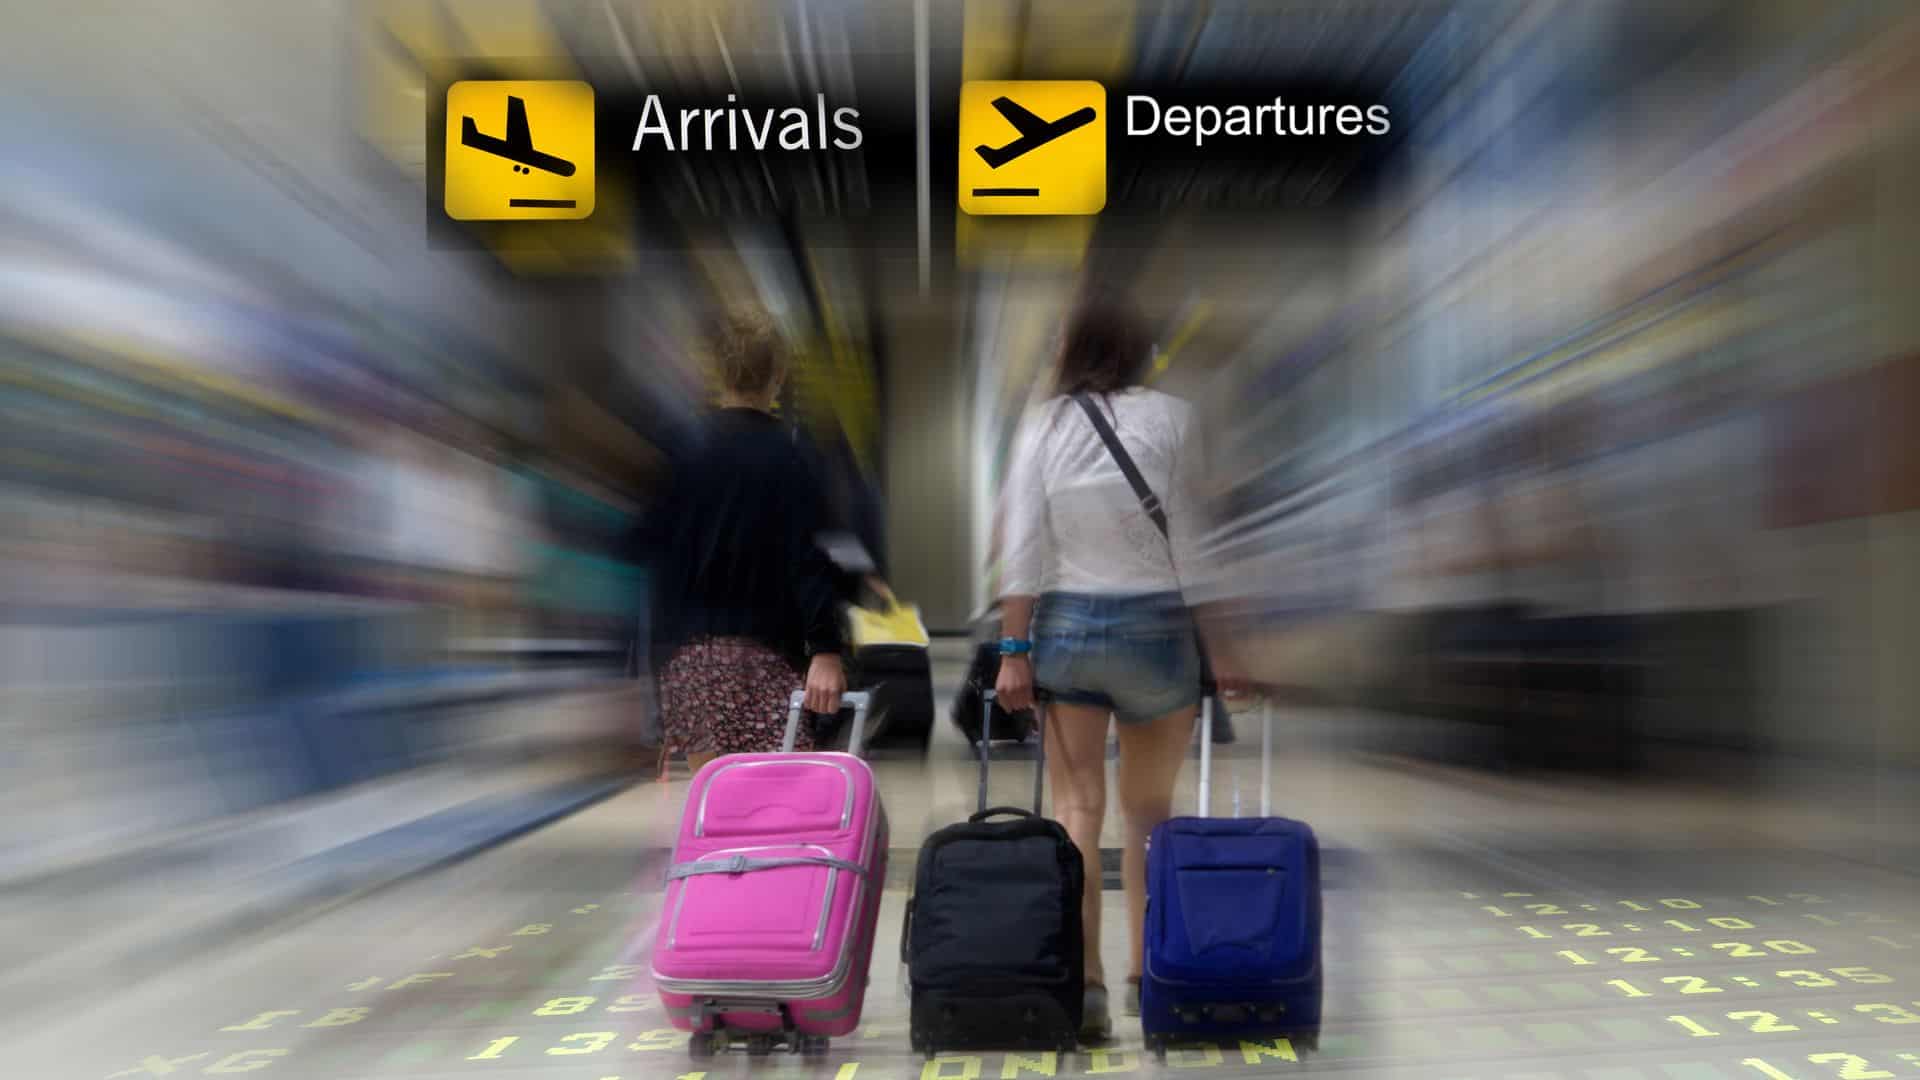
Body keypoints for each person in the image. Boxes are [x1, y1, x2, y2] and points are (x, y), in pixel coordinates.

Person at [993, 298, 1245, 1040]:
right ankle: (1152, 978)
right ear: (1144, 345)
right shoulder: (1175, 418)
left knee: (1077, 809)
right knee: (1150, 815)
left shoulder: (1042, 425)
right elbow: (1193, 546)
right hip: (1159, 632)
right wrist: (1220, 649)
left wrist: (1014, 652)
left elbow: (1023, 551)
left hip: (1070, 629)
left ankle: (1087, 990)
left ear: (1071, 347)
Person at [630, 309, 848, 775]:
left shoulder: (680, 449)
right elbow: (810, 560)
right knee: (776, 801)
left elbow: (652, 555)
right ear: (780, 374)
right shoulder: (792, 456)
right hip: (765, 656)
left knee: (718, 800)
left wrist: (660, 668)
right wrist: (827, 649)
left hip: (690, 661)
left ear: (717, 371)